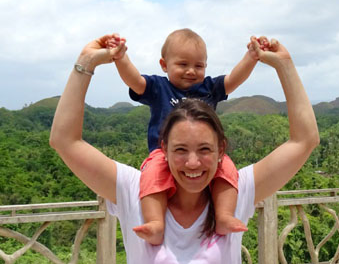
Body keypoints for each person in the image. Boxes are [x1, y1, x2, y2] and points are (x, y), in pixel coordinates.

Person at [49, 34, 319, 263]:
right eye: (180, 150)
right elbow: (65, 140)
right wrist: (86, 62)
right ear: (163, 147)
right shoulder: (136, 190)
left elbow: (304, 140)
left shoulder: (235, 188)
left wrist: (284, 65)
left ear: (220, 149)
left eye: (204, 149)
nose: (192, 163)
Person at [106, 29, 264, 244]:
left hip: (205, 155)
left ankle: (224, 215)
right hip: (162, 154)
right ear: (164, 64)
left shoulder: (208, 88)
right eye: (182, 64)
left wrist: (252, 57)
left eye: (198, 66)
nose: (191, 71)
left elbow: (234, 79)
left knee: (227, 168)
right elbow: (134, 81)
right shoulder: (159, 87)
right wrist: (120, 57)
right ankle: (155, 223)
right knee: (152, 175)